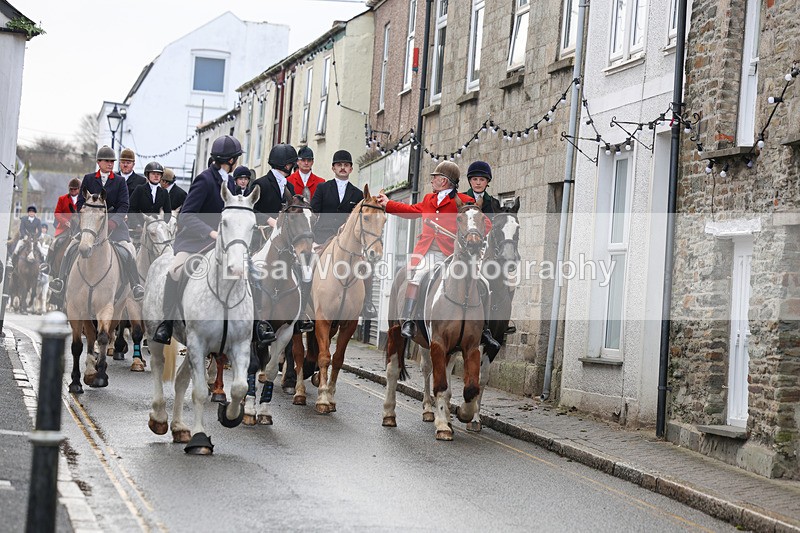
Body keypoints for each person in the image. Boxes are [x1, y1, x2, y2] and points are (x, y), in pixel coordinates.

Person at [375, 161, 501, 358]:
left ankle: (484, 330)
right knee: (416, 277)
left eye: (435, 177)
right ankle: (408, 320)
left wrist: (473, 236)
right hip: (427, 252)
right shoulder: (428, 199)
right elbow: (410, 210)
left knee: (482, 282)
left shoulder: (463, 201)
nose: (432, 180)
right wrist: (387, 204)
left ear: (444, 181)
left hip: (451, 254)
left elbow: (484, 223)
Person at [152, 135, 248, 344]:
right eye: (237, 158)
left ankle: (253, 325)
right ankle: (167, 323)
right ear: (231, 160)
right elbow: (186, 215)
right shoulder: (205, 180)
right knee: (175, 271)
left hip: (224, 244)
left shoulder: (231, 183)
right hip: (195, 241)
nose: (237, 161)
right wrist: (211, 233)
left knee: (250, 271)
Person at [49, 145, 145, 305]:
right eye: (107, 161)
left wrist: (114, 221)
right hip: (90, 225)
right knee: (71, 247)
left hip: (114, 227)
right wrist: (87, 217)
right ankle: (60, 280)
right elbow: (80, 202)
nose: (110, 164)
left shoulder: (120, 181)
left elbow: (124, 205)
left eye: (112, 161)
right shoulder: (88, 179)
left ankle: (135, 286)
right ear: (99, 162)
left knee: (128, 250)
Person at [311, 150, 376, 318]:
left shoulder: (357, 194)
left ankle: (367, 303)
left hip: (347, 242)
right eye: (339, 165)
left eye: (346, 165)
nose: (342, 168)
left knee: (366, 266)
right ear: (333, 168)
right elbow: (313, 214)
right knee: (308, 265)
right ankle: (305, 302)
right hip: (322, 238)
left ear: (351, 169)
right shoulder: (323, 188)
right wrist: (312, 239)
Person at [250, 144, 297, 227]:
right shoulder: (260, 184)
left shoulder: (290, 187)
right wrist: (267, 219)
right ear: (287, 166)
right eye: (292, 164)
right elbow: (249, 209)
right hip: (261, 231)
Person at [129, 162, 172, 236]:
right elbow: (131, 208)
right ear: (147, 175)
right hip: (140, 227)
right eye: (153, 174)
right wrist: (136, 223)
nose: (156, 176)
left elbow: (168, 212)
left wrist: (162, 224)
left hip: (156, 228)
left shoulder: (164, 192)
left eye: (158, 174)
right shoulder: (140, 189)